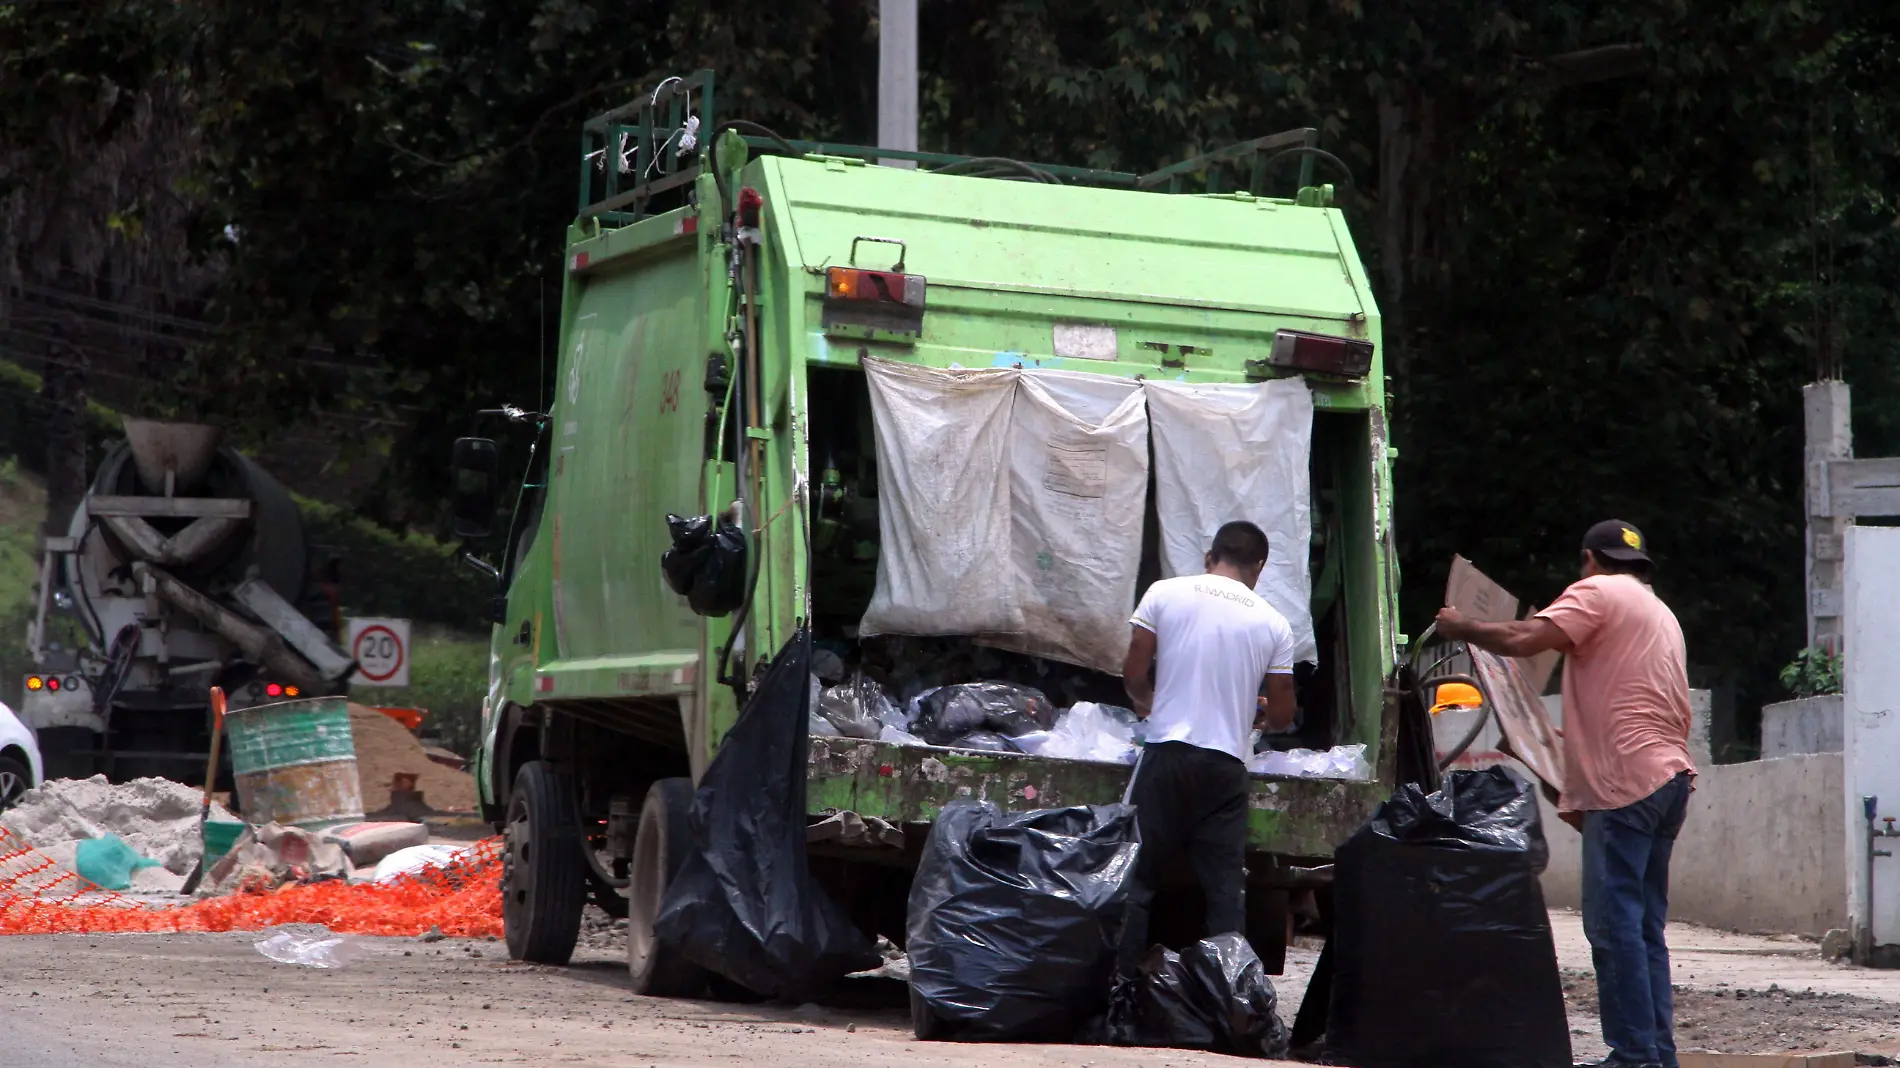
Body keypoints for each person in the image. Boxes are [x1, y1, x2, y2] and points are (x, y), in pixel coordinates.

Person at [1434, 519, 1695, 1068]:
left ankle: (1633, 1057)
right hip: (1667, 781)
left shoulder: (1597, 592)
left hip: (1626, 783)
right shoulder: (1658, 610)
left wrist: (1466, 627)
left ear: (1589, 560)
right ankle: (1655, 1055)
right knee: (1644, 928)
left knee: (1611, 926)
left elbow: (1526, 639)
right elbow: (1626, 701)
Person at [1118, 520, 1298, 972]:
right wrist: (1255, 713)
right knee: (1223, 893)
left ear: (1208, 557)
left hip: (1167, 756)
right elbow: (1281, 715)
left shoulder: (1164, 593)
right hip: (1224, 769)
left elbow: (1135, 672)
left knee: (1137, 884)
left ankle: (1118, 993)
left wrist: (1151, 706)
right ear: (1259, 566)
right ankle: (1227, 999)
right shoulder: (1274, 623)